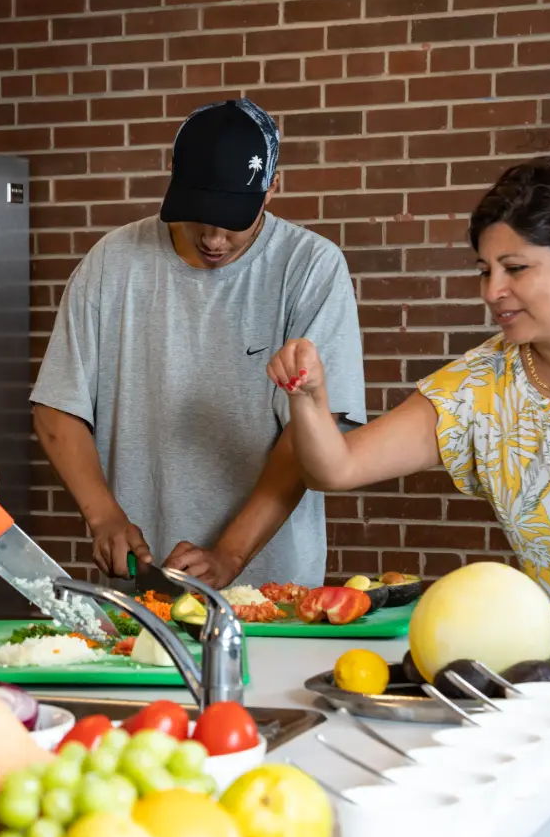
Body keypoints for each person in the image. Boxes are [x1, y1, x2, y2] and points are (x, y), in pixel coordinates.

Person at [269, 155, 550, 617]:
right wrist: (309, 398)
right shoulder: (478, 387)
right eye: (485, 270)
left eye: (515, 268)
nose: (491, 291)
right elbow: (336, 469)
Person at [31, 99, 366, 591]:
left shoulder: (311, 267)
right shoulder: (112, 261)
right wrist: (103, 516)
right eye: (198, 216)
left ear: (273, 186)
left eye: (232, 219)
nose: (213, 238)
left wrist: (229, 554)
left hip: (271, 589)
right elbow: (57, 407)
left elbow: (310, 435)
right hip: (142, 583)